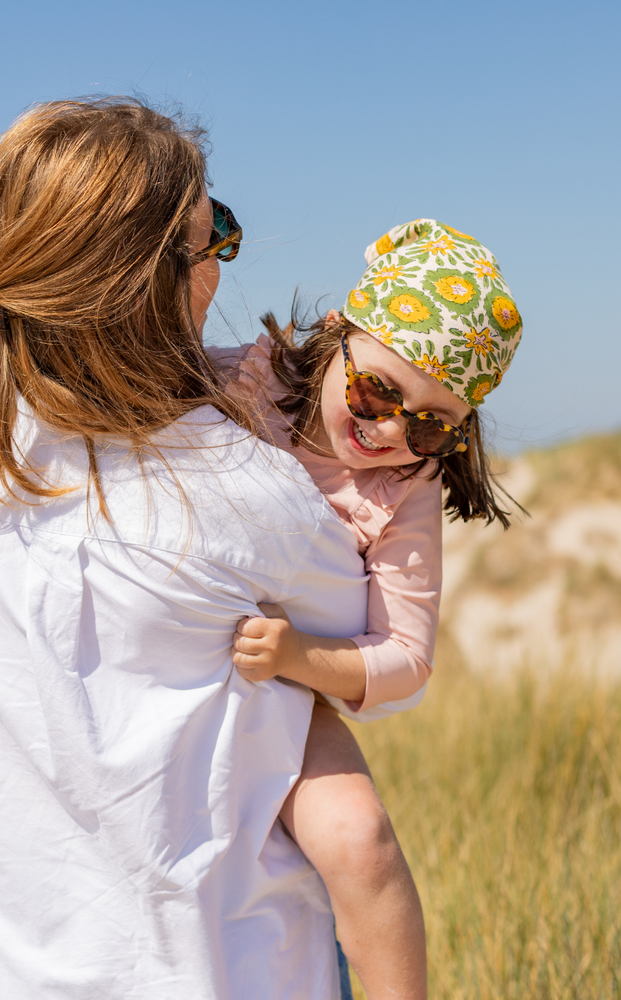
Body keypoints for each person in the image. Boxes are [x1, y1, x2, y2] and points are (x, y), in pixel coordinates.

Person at [0, 97, 371, 998]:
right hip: (221, 968)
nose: (222, 259)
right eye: (213, 233)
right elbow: (356, 662)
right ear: (153, 284)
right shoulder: (250, 491)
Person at [215, 219, 523, 1000]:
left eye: (430, 423)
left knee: (362, 841)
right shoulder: (239, 386)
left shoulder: (404, 490)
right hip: (176, 664)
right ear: (336, 333)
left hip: (289, 690)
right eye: (378, 390)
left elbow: (407, 659)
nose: (389, 429)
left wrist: (298, 660)